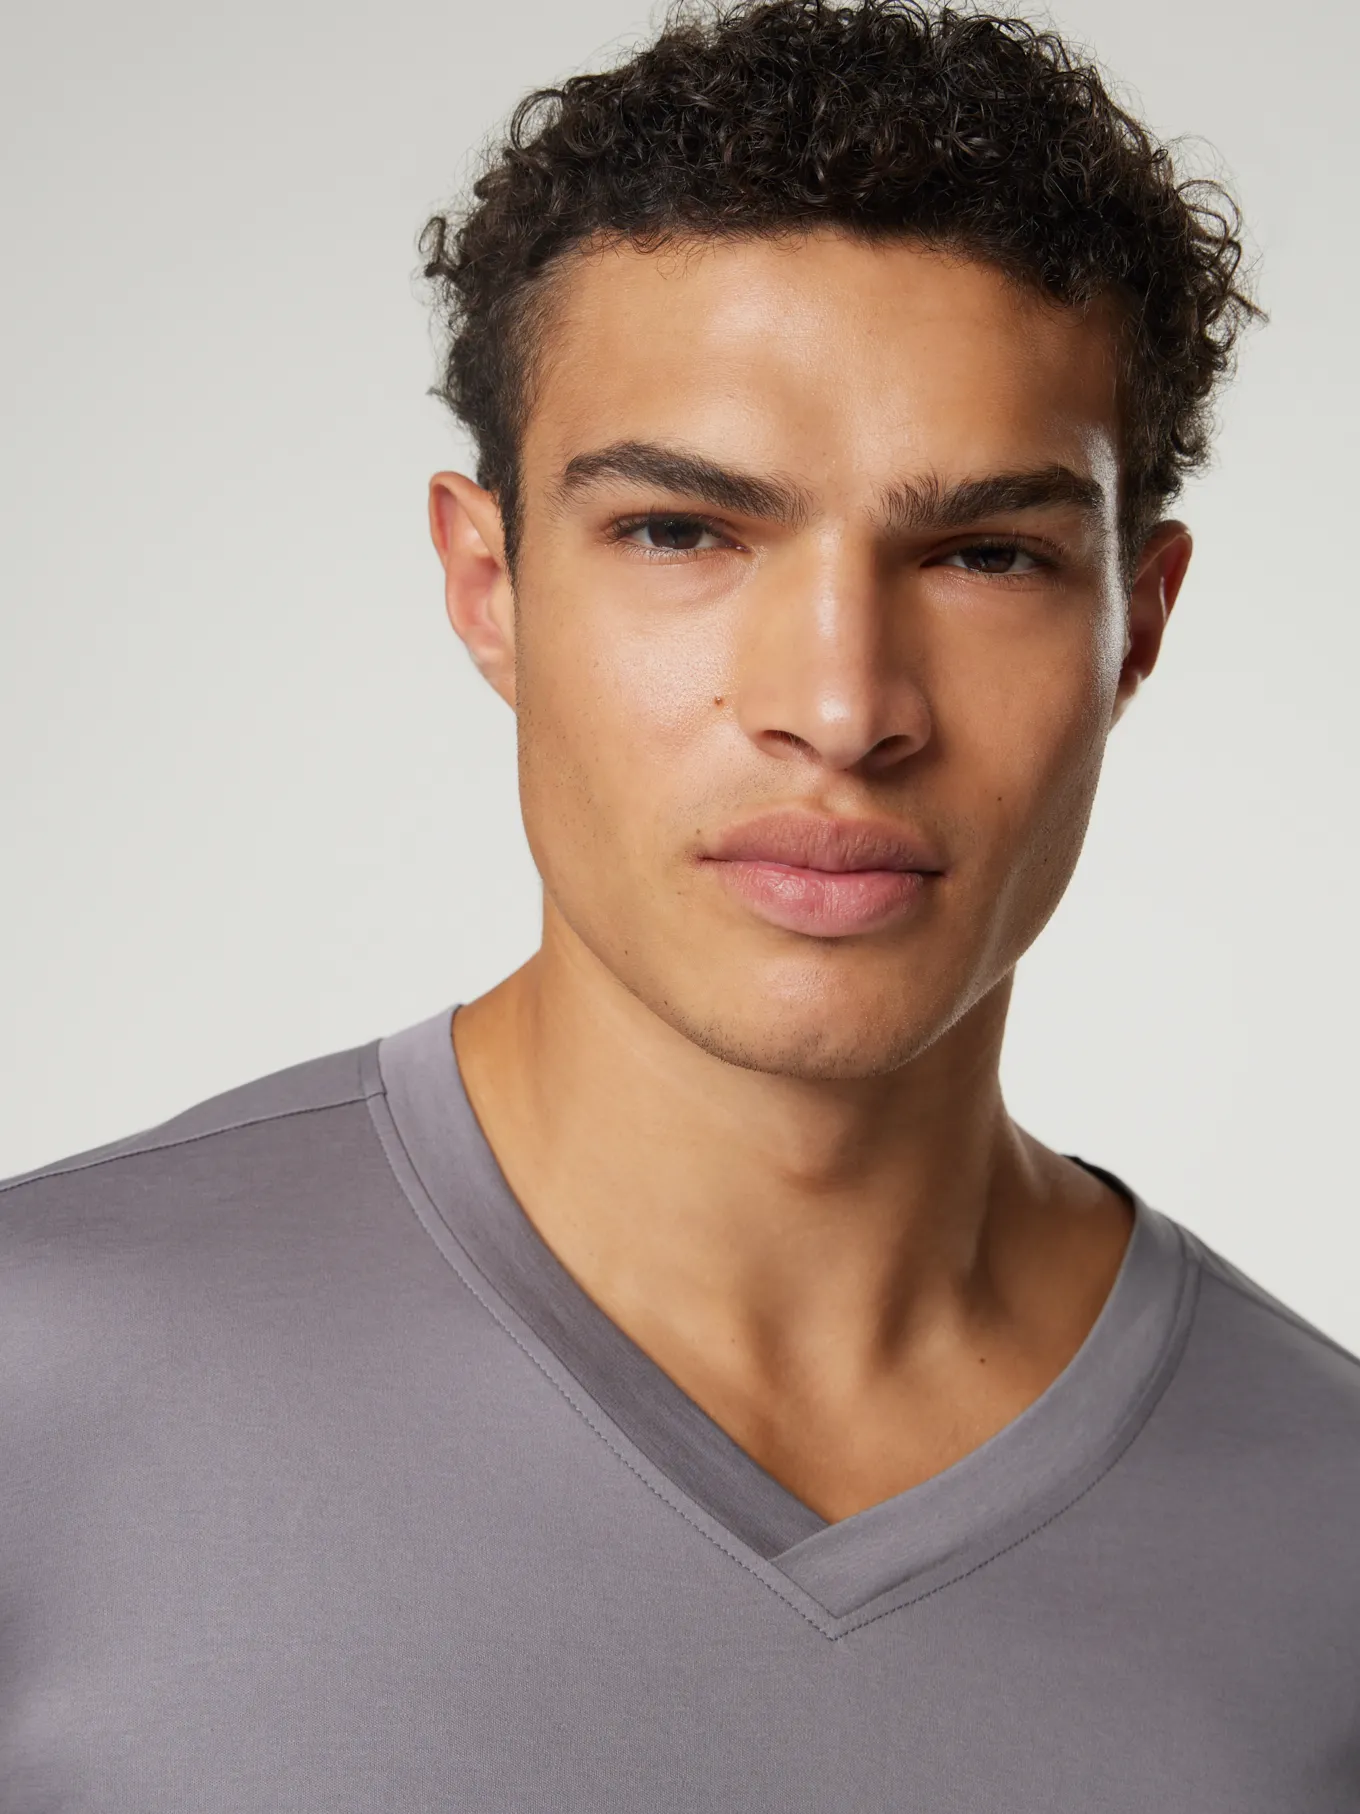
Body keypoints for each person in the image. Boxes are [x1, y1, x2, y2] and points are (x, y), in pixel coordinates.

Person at [3, 2, 1357, 1807]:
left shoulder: (1329, 1540)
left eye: (986, 554)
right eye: (681, 532)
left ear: (1140, 623)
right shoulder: (37, 1385)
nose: (842, 704)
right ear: (488, 585)